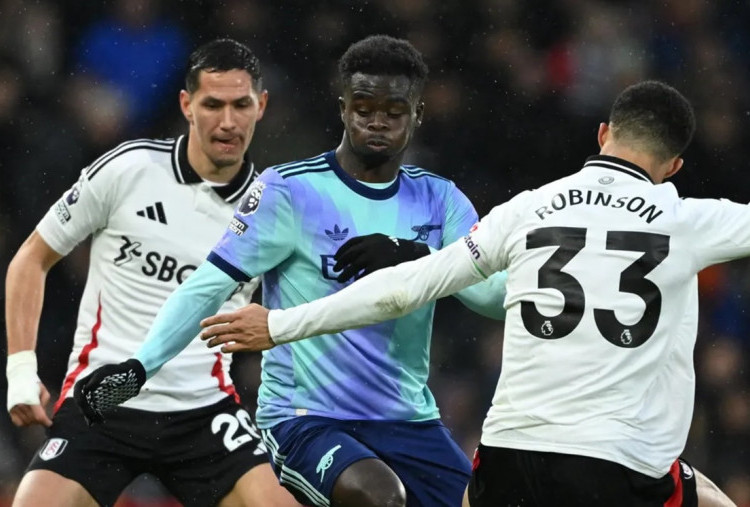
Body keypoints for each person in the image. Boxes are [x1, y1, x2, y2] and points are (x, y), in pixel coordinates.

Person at [196, 81, 738, 507]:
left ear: (602, 134)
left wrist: (279, 325)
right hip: (616, 465)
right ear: (674, 168)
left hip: (509, 458)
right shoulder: (687, 218)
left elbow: (404, 288)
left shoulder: (528, 207)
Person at [74, 34, 507, 507]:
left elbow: (489, 298)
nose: (377, 122)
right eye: (364, 108)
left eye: (394, 111)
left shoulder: (440, 199)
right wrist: (141, 366)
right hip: (306, 419)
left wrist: (416, 257)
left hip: (408, 419)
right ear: (343, 109)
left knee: (487, 499)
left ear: (417, 115)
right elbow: (207, 285)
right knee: (378, 496)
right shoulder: (289, 192)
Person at [5, 38, 300, 507]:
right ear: (186, 104)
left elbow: (298, 318)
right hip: (103, 402)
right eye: (213, 104)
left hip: (204, 410)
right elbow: (31, 258)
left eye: (241, 104)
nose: (228, 121)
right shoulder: (130, 168)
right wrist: (20, 368)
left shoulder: (275, 211)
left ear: (261, 106)